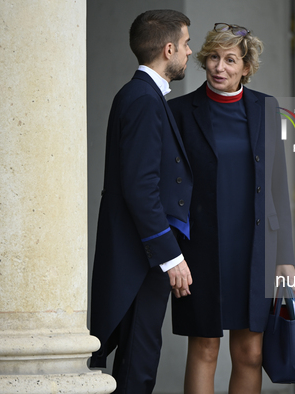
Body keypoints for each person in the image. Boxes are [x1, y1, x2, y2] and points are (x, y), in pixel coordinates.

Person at [168, 23, 295, 394]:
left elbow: (277, 186)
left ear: (246, 67)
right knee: (205, 347)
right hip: (201, 249)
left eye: (230, 59)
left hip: (256, 248)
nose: (219, 67)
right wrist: (171, 252)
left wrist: (284, 256)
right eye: (213, 57)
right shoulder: (178, 112)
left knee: (250, 353)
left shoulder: (266, 108)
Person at [89, 10, 194, 394]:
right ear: (168, 49)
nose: (189, 51)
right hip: (141, 257)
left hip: (142, 253)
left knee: (139, 359)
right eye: (185, 44)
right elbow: (140, 187)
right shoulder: (143, 99)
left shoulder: (141, 95)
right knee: (139, 363)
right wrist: (171, 256)